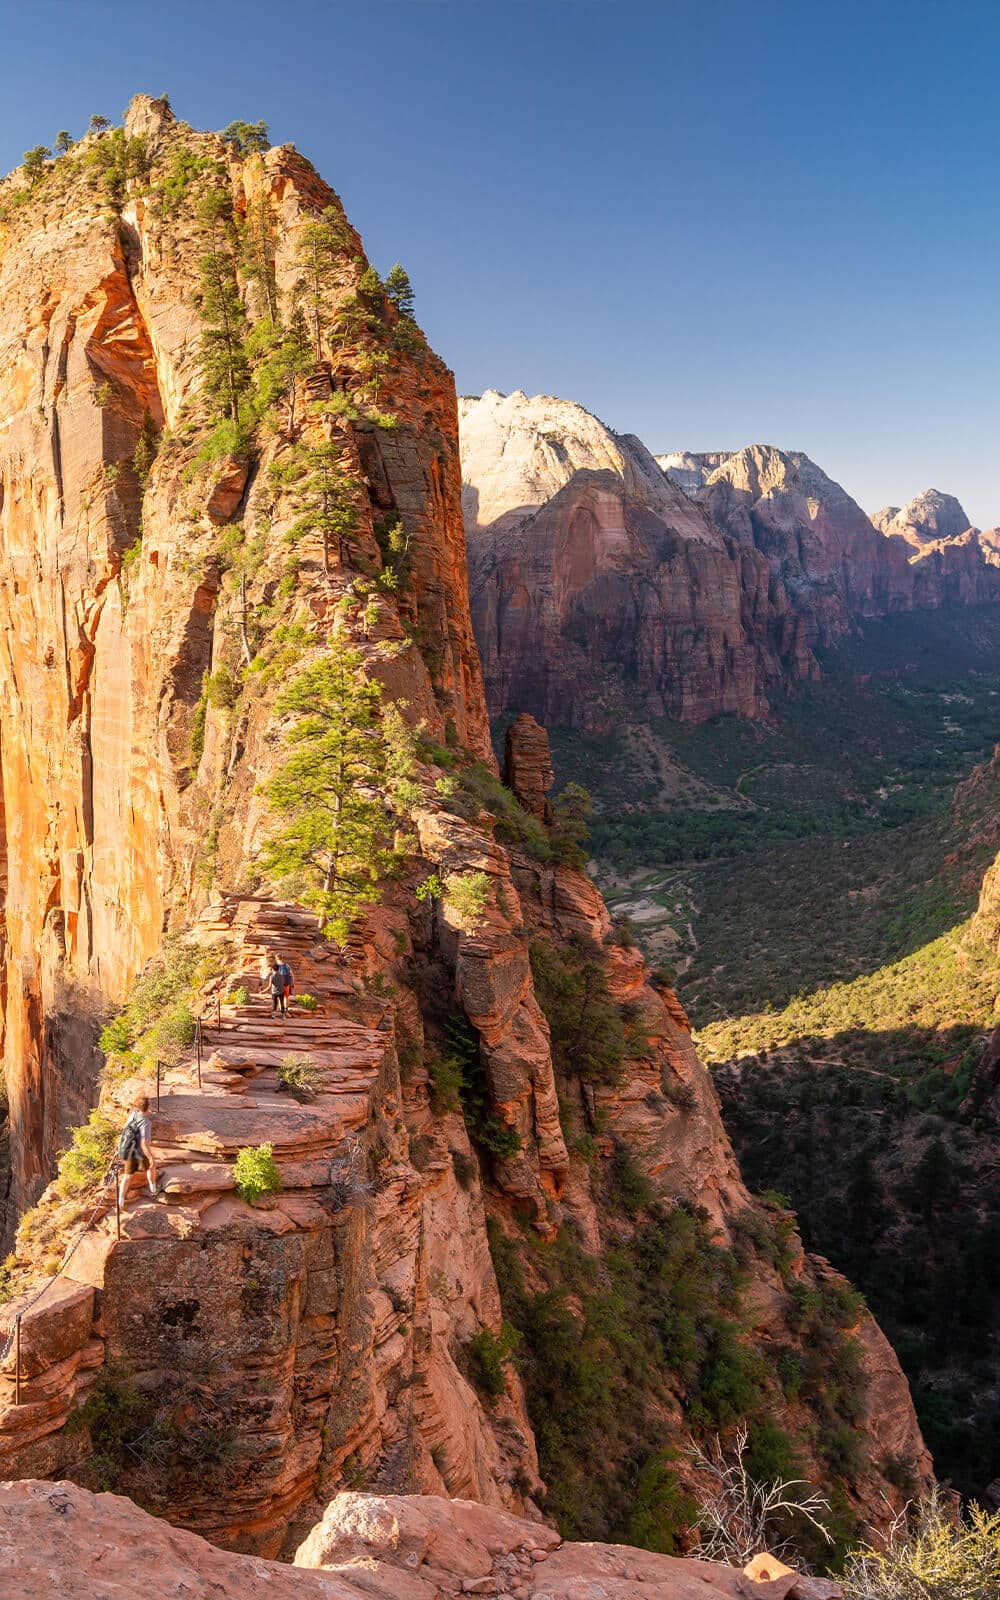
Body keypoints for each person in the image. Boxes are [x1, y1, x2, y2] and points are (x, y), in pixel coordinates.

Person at [116, 1094, 156, 1208]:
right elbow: (144, 1143)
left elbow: (125, 1128)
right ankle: (153, 1189)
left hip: (127, 1149)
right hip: (139, 1151)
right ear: (148, 1108)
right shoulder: (146, 1123)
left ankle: (120, 1201)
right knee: (151, 1166)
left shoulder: (133, 1115)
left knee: (128, 1175)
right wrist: (150, 1157)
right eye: (150, 1105)